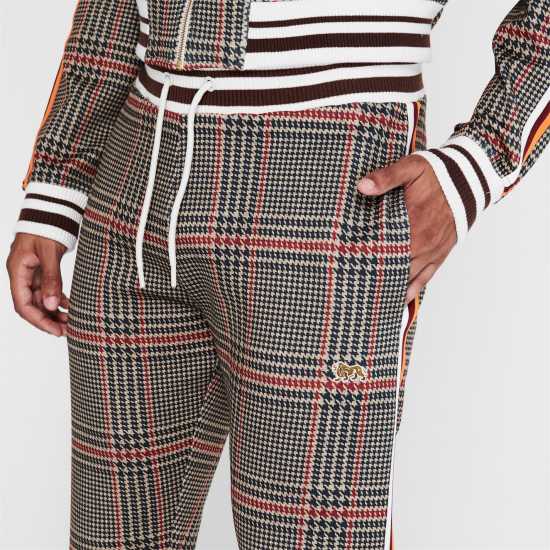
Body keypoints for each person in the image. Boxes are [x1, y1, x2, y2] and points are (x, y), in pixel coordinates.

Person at [6, 0, 549, 549]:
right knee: (110, 538)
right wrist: (56, 185)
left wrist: (483, 157)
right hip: (132, 174)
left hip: (327, 174)